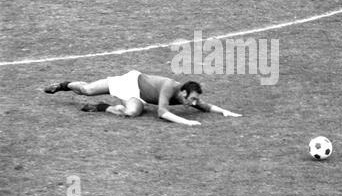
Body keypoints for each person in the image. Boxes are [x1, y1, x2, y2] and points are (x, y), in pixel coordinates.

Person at [44, 70, 242, 126]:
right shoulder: (168, 86)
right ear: (183, 93)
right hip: (129, 82)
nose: (193, 103)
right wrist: (187, 122)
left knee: (132, 112)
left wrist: (226, 112)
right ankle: (62, 85)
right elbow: (162, 113)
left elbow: (206, 107)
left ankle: (102, 107)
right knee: (86, 89)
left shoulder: (187, 97)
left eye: (194, 101)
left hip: (137, 97)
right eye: (191, 99)